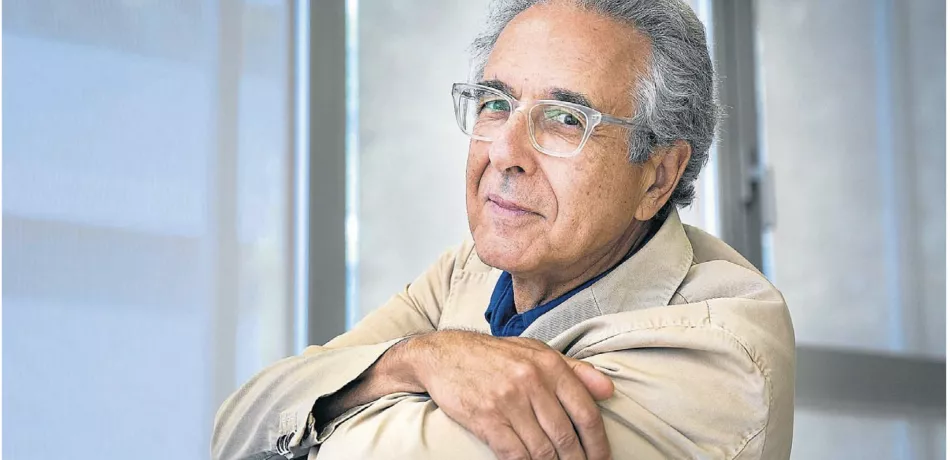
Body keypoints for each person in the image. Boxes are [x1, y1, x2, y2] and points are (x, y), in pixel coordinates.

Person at [211, 0, 795, 458]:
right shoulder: (467, 272)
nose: (505, 152)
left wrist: (352, 388)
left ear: (657, 176)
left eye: (565, 118)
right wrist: (414, 360)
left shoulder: (720, 348)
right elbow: (237, 426)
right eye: (495, 103)